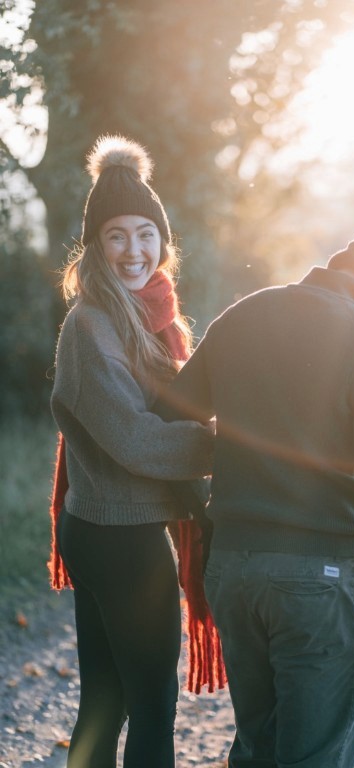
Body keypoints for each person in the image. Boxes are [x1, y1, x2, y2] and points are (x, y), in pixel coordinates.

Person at [167, 224, 354, 768]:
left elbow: (169, 422)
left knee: (257, 750)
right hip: (320, 584)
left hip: (233, 574)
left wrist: (203, 514)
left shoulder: (244, 315)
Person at [48, 134, 223, 768]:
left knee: (107, 700)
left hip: (104, 528)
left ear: (163, 241)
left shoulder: (152, 318)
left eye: (146, 234)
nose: (134, 250)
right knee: (151, 706)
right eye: (117, 235)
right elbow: (135, 438)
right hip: (119, 536)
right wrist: (227, 450)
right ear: (95, 246)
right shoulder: (92, 326)